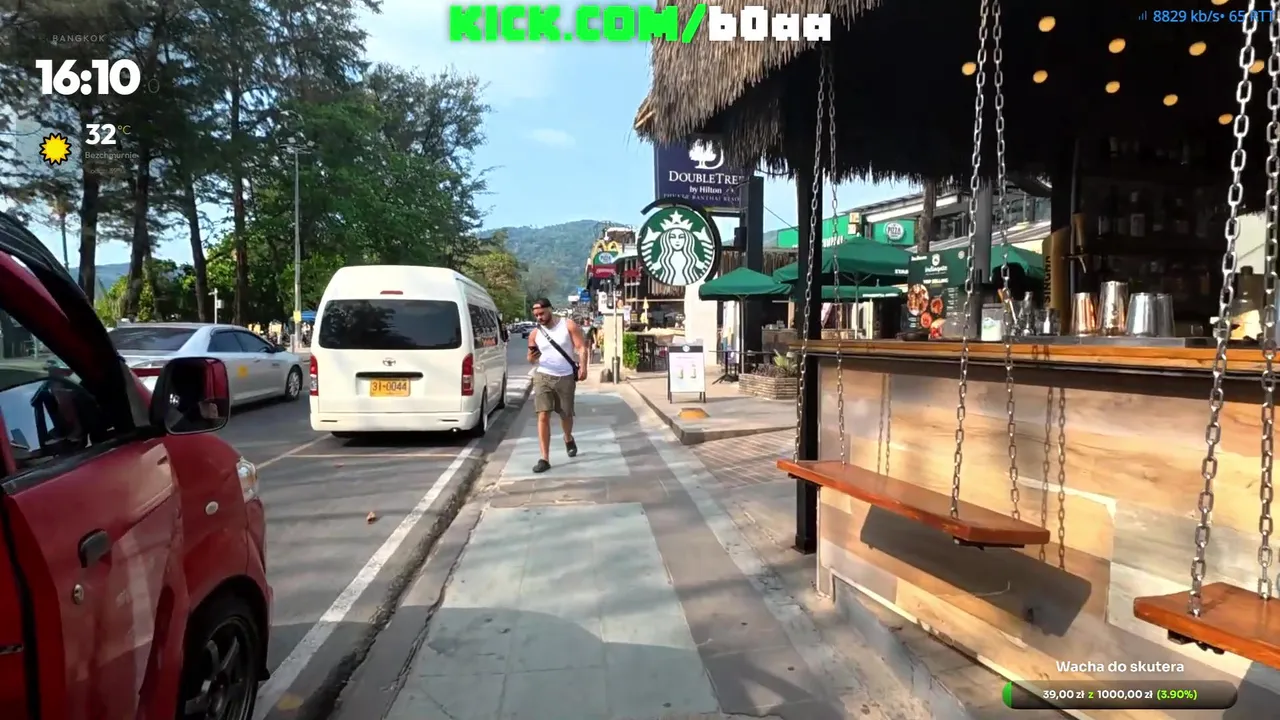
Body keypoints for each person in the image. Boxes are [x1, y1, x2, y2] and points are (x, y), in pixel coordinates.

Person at [527, 297, 588, 474]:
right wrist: (532, 357)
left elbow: (581, 347)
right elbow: (530, 358)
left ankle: (568, 437)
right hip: (543, 376)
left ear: (550, 309)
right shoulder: (535, 334)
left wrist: (583, 367)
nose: (539, 317)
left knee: (565, 414)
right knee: (543, 414)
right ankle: (544, 458)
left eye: (541, 313)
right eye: (536, 315)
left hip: (565, 377)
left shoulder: (568, 326)